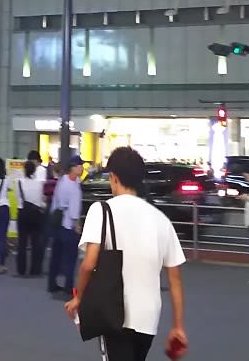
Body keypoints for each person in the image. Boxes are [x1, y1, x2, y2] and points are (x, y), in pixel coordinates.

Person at [66, 147, 187, 361]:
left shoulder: (101, 210)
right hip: (148, 318)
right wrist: (178, 326)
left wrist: (79, 298)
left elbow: (89, 264)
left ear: (113, 177)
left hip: (115, 313)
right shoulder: (161, 220)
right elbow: (175, 279)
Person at [47, 155, 84, 294]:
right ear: (73, 168)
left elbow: (56, 201)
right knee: (70, 258)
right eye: (79, 166)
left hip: (58, 222)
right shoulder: (74, 186)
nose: (82, 168)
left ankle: (52, 284)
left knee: (56, 256)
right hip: (68, 226)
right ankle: (68, 287)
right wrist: (77, 226)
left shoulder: (63, 180)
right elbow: (74, 211)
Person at [16, 159, 47, 277]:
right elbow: (41, 200)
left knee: (22, 243)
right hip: (36, 214)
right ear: (34, 170)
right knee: (36, 242)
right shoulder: (39, 184)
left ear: (24, 170)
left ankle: (21, 269)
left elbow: (18, 199)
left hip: (23, 213)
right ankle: (35, 269)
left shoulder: (19, 182)